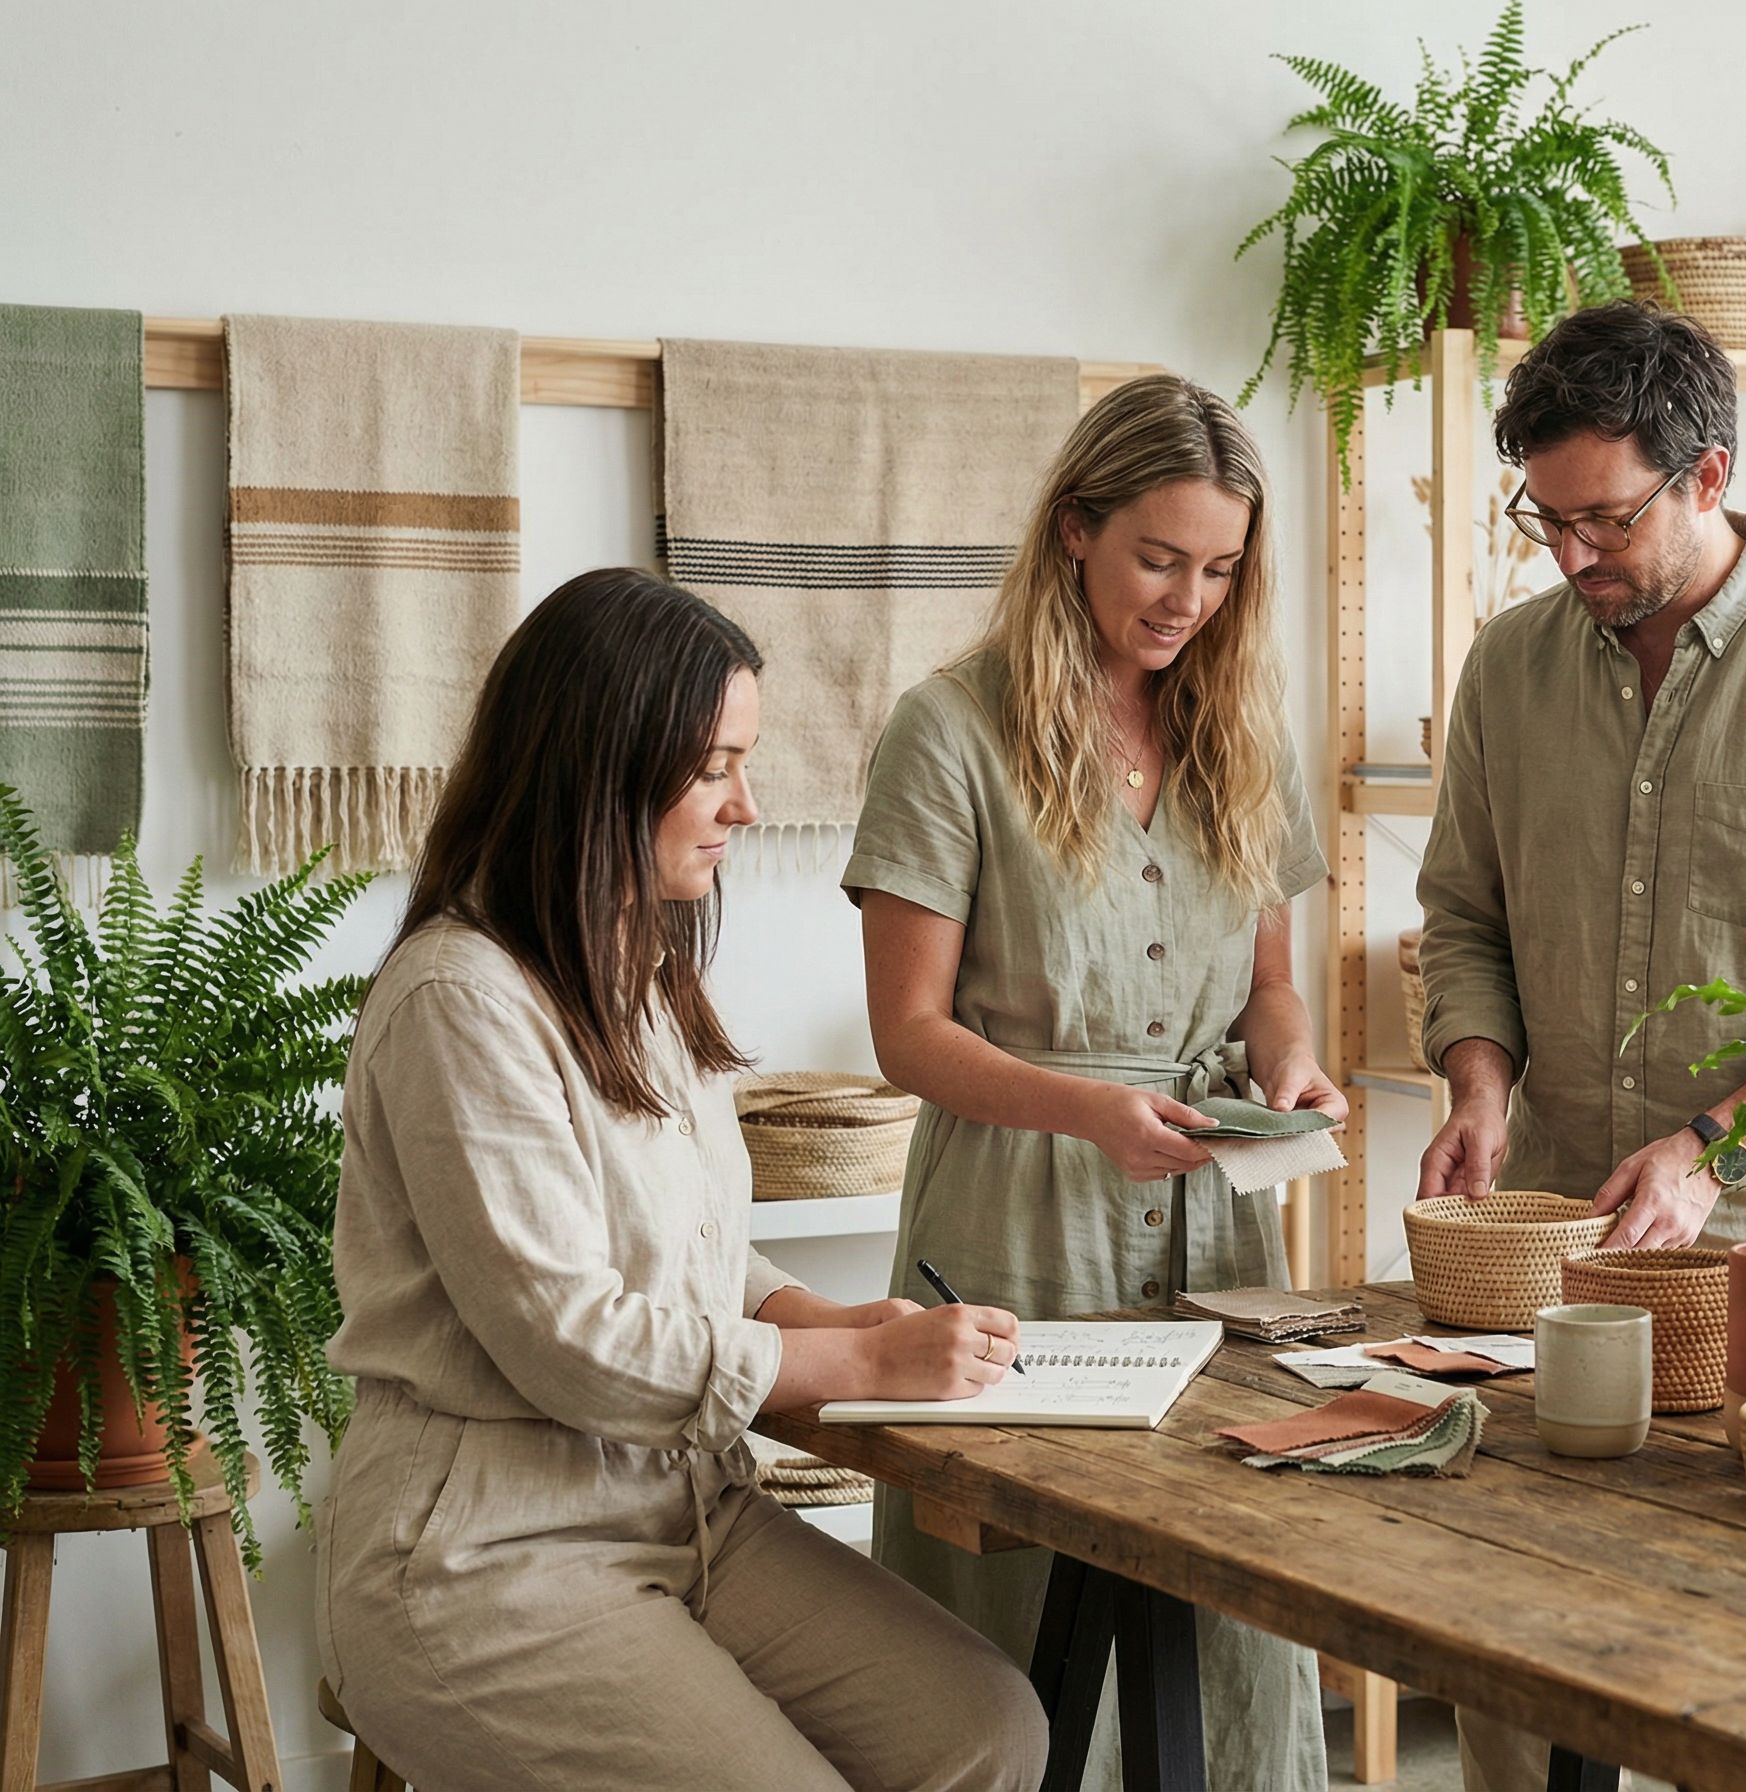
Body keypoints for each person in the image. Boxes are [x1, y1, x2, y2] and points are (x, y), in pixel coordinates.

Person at [318, 568, 1048, 1792]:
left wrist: (819, 1318)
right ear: (599, 763)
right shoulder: (461, 1000)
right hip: (481, 1554)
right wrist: (856, 1368)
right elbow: (567, 1336)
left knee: (987, 1728)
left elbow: (690, 1247)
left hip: (685, 1510)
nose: (747, 804)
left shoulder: (638, 973)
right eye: (715, 765)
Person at [1412, 302, 1746, 1791]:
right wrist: (1478, 1077)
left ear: (1708, 477)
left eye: (1605, 519)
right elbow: (1462, 911)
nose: (1572, 555)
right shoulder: (1508, 671)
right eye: (1547, 519)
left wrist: (1719, 1147)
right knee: (1511, 1632)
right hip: (1548, 1259)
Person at [847, 373, 1340, 1789]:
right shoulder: (949, 730)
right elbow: (907, 1034)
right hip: (1015, 1232)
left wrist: (1291, 1065)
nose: (1189, 598)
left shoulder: (1243, 732)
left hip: (1215, 1230)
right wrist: (1088, 1110)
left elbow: (1270, 988)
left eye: (1222, 569)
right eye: (1158, 557)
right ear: (1076, 528)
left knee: (1235, 1602)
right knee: (1014, 1622)